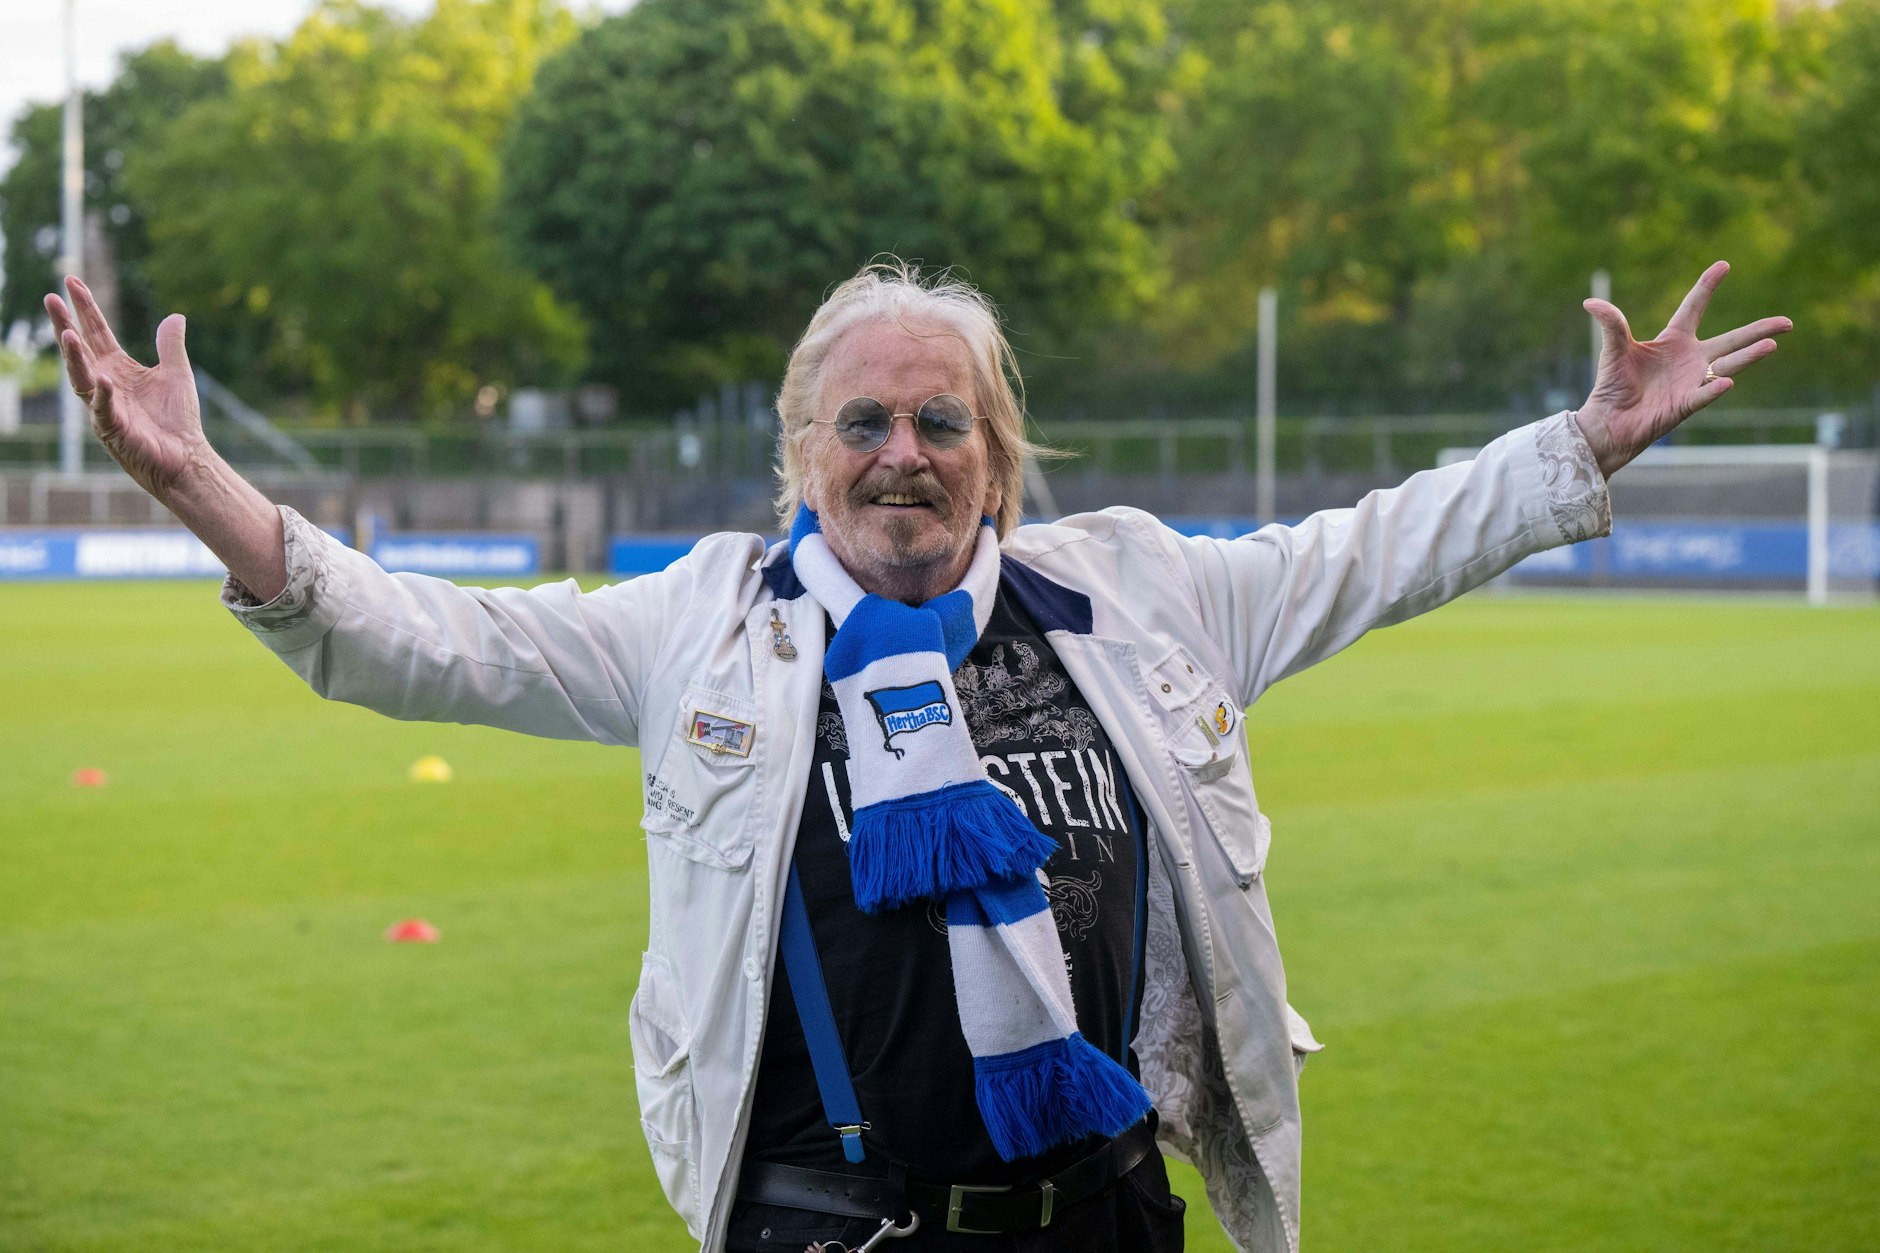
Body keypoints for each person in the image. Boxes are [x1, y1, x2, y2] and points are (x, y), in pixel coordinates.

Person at [45, 259, 1788, 1252]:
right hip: (831, 1233)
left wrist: (1586, 442)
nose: (902, 453)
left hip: (1102, 1223)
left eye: (940, 420)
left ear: (997, 453)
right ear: (803, 450)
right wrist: (205, 486)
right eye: (863, 422)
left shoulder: (1137, 596)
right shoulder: (698, 629)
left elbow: (1375, 545)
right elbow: (429, 636)